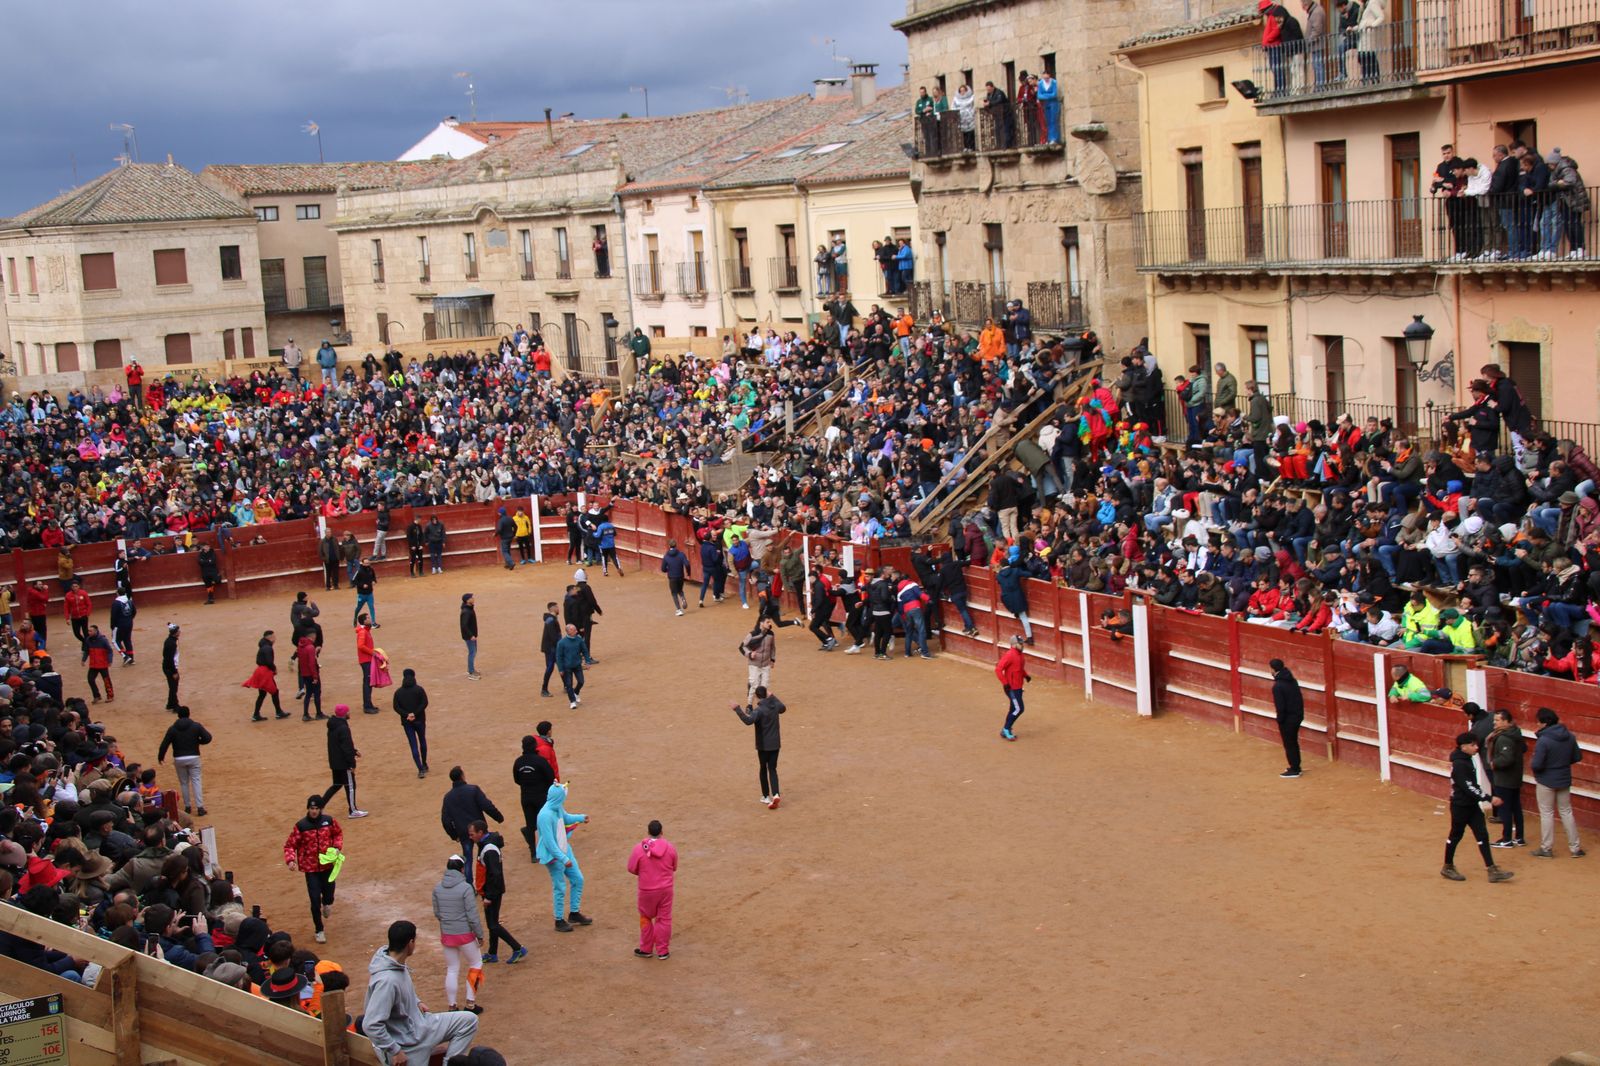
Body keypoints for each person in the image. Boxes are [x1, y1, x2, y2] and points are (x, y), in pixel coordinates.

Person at [364, 920, 481, 1065]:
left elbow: (402, 990)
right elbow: (371, 1024)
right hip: (407, 1046)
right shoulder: (387, 981)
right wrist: (395, 1050)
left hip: (422, 1026)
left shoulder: (395, 961)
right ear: (410, 943)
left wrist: (416, 1001)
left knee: (468, 1021)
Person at [1440, 732, 1515, 883]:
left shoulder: (1466, 759)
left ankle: (1492, 869)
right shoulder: (1461, 764)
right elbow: (1469, 787)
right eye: (1473, 745)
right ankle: (1447, 866)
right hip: (1460, 806)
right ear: (1464, 747)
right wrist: (1489, 798)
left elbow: (1471, 787)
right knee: (1456, 835)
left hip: (1471, 805)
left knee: (1482, 835)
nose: (1476, 747)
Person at [284, 795, 344, 944]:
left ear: (321, 809)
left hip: (328, 865)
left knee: (329, 894)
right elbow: (290, 845)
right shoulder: (301, 826)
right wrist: (291, 860)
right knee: (314, 900)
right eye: (312, 808)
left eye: (317, 808)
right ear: (308, 809)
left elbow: (338, 834)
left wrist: (337, 848)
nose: (314, 811)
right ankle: (319, 929)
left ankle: (327, 903)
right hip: (310, 869)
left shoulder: (329, 821)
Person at [535, 782, 592, 933]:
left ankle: (574, 913)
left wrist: (580, 817)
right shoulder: (544, 816)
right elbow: (549, 843)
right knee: (559, 886)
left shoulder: (556, 807)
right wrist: (563, 858)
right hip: (555, 856)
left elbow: (565, 818)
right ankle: (558, 919)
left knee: (578, 879)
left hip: (564, 849)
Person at [431, 856, 485, 1014]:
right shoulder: (466, 888)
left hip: (447, 934)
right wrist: (479, 935)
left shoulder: (438, 888)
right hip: (465, 934)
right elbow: (472, 916)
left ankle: (452, 1005)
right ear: (462, 869)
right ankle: (470, 1002)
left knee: (452, 969)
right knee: (476, 964)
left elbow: (437, 913)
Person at [1529, 707, 1585, 858]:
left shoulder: (1544, 740)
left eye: (1539, 722)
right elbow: (1577, 757)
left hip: (1546, 780)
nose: (1538, 724)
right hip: (1564, 778)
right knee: (1566, 812)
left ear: (1545, 723)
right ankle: (1575, 848)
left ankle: (1546, 848)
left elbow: (1537, 764)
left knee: (1547, 813)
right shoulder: (1570, 736)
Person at [469, 821, 525, 965]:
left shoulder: (489, 849)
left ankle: (517, 948)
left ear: (480, 833)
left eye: (472, 834)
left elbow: (495, 874)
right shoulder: (486, 845)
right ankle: (492, 953)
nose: (471, 837)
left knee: (493, 925)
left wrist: (489, 896)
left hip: (492, 892)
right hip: (490, 890)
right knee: (491, 923)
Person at [627, 820, 677, 961]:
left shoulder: (638, 849)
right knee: (664, 919)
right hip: (666, 889)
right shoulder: (670, 848)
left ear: (648, 832)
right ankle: (663, 951)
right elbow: (674, 866)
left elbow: (631, 868)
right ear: (662, 832)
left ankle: (646, 949)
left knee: (646, 917)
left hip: (646, 890)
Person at [732, 686, 785, 809]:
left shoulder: (759, 711)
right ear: (767, 694)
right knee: (772, 769)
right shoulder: (775, 706)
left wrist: (737, 709)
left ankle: (766, 796)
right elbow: (783, 708)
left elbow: (748, 720)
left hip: (763, 746)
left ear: (756, 696)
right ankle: (776, 794)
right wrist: (773, 696)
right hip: (775, 744)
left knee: (763, 769)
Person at [441, 767, 504, 867]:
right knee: (485, 852)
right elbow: (486, 805)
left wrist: (454, 835)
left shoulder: (448, 797)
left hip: (463, 831)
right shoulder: (473, 790)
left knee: (467, 859)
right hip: (478, 829)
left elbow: (445, 821)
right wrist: (498, 817)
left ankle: (468, 882)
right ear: (462, 776)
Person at [157, 705, 212, 816]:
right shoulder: (196, 726)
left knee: (184, 783)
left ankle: (187, 806)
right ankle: (200, 807)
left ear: (178, 715)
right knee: (196, 781)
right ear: (189, 714)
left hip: (179, 758)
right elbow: (208, 738)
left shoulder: (172, 728)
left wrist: (161, 756)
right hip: (194, 757)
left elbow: (164, 744)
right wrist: (198, 742)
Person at [1487, 709, 1527, 849]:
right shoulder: (1516, 733)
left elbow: (1507, 758)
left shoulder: (1504, 737)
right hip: (1515, 777)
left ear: (1506, 721)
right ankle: (1519, 837)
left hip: (1505, 778)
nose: (1494, 723)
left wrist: (1494, 763)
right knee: (1516, 807)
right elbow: (1523, 748)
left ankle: (1507, 839)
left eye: (1497, 720)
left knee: (1505, 809)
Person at [318, 705, 368, 818]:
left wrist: (354, 751)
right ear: (344, 714)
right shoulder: (343, 728)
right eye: (348, 712)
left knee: (336, 785)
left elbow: (338, 744)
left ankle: (319, 806)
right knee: (350, 786)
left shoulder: (332, 726)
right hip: (343, 763)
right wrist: (352, 763)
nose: (349, 713)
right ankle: (353, 810)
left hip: (335, 762)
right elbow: (346, 746)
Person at [513, 734, 555, 863]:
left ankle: (533, 853)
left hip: (526, 796)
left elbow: (517, 780)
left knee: (530, 824)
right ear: (535, 746)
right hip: (540, 796)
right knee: (545, 823)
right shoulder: (540, 761)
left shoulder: (518, 762)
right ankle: (548, 850)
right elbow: (550, 776)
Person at [1270, 658, 1305, 778]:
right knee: (1293, 742)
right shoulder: (1292, 680)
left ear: (1273, 669)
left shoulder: (1278, 686)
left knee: (1289, 743)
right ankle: (1296, 766)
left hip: (1288, 719)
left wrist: (1280, 720)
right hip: (1297, 715)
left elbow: (1281, 707)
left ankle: (1295, 769)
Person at [244, 630, 288, 721]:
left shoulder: (263, 646)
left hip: (260, 671)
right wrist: (274, 668)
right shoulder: (268, 648)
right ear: (270, 638)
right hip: (265, 672)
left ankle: (256, 714)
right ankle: (278, 712)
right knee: (274, 691)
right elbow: (269, 662)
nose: (275, 639)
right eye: (274, 637)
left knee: (262, 694)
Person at [394, 668, 430, 778]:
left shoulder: (398, 692)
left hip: (407, 722)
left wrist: (407, 715)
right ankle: (424, 763)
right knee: (422, 740)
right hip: (419, 720)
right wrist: (415, 713)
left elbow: (396, 707)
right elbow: (424, 703)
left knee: (413, 744)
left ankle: (420, 769)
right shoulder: (419, 689)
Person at [995, 635, 1030, 742]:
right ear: (1014, 645)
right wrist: (1005, 684)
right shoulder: (1010, 655)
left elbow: (1019, 668)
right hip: (1011, 688)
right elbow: (998, 669)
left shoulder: (1020, 655)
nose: (1022, 645)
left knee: (1013, 708)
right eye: (1020, 643)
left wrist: (1025, 675)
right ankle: (1006, 729)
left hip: (1018, 687)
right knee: (1019, 708)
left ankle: (1006, 729)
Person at [739, 617, 777, 700]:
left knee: (765, 685)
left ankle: (762, 702)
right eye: (767, 622)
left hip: (766, 663)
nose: (770, 624)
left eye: (770, 622)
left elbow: (773, 648)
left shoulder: (771, 634)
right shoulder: (752, 634)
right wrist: (749, 654)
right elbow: (742, 647)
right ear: (761, 623)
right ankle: (749, 705)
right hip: (754, 663)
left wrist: (772, 659)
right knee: (755, 685)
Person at [554, 623, 587, 709]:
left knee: (581, 681)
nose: (576, 631)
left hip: (577, 665)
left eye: (576, 629)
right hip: (566, 667)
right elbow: (559, 657)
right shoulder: (561, 643)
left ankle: (575, 693)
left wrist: (588, 661)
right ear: (568, 632)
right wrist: (560, 669)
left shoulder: (579, 640)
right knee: (569, 685)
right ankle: (572, 701)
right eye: (574, 630)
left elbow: (584, 650)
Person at [82, 624, 115, 703]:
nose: (89, 632)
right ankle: (96, 696)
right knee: (90, 679)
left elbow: (109, 651)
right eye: (88, 631)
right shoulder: (88, 640)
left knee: (106, 680)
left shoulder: (103, 640)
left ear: (96, 631)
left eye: (91, 631)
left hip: (102, 664)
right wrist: (83, 660)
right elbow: (86, 651)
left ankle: (110, 695)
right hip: (93, 665)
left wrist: (109, 660)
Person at [661, 539, 692, 616]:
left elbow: (663, 569)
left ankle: (679, 609)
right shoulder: (681, 554)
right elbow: (687, 564)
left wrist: (668, 570)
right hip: (680, 576)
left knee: (674, 593)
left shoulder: (666, 556)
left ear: (669, 546)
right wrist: (688, 572)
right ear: (676, 545)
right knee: (680, 590)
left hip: (672, 577)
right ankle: (683, 598)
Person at [356, 613, 379, 713]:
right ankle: (367, 706)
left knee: (368, 682)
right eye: (368, 618)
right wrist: (372, 652)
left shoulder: (365, 631)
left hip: (367, 659)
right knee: (367, 683)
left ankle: (369, 704)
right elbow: (360, 646)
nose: (370, 619)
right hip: (366, 660)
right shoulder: (363, 632)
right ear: (364, 621)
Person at [539, 602, 560, 698]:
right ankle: (544, 689)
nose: (558, 608)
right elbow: (553, 636)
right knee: (550, 668)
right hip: (551, 648)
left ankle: (566, 686)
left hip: (552, 647)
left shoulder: (551, 619)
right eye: (557, 607)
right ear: (553, 608)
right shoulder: (551, 620)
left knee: (561, 666)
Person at [353, 557, 379, 628]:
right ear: (363, 563)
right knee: (358, 608)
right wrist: (362, 585)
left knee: (371, 607)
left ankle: (373, 622)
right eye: (366, 563)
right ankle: (355, 618)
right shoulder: (359, 571)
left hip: (369, 593)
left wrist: (374, 581)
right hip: (362, 594)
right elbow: (354, 581)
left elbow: (374, 577)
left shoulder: (371, 569)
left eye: (368, 563)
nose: (367, 564)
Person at [460, 593, 481, 680]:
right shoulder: (466, 612)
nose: (473, 598)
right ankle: (471, 672)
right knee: (472, 653)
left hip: (471, 635)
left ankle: (471, 669)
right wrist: (471, 635)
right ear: (468, 600)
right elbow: (464, 625)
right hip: (469, 636)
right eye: (471, 598)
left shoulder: (469, 608)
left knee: (473, 652)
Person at [162, 623, 181, 711]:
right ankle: (174, 705)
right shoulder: (171, 643)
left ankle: (170, 704)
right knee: (173, 686)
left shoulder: (171, 640)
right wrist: (174, 672)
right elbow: (169, 659)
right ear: (175, 633)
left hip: (168, 666)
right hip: (170, 668)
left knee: (173, 686)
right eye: (178, 630)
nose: (180, 632)